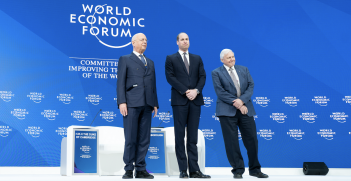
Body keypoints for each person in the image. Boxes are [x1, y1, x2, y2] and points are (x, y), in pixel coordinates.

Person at [211, 49, 268, 179]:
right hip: (227, 111)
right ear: (222, 60)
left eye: (233, 56)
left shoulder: (244, 69)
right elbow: (220, 92)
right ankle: (238, 170)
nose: (232, 59)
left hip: (245, 110)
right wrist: (237, 103)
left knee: (252, 139)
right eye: (229, 57)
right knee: (231, 142)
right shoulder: (216, 72)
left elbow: (250, 86)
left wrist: (242, 101)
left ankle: (255, 169)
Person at [165, 32, 210, 178]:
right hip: (180, 101)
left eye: (187, 39)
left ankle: (195, 170)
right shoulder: (171, 58)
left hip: (195, 100)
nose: (185, 41)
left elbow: (202, 76)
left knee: (192, 137)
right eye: (182, 39)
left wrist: (196, 91)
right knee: (179, 136)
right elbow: (170, 78)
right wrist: (186, 91)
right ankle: (183, 170)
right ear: (177, 42)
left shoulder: (197, 58)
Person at [117, 33, 159, 179]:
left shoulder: (150, 62)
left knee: (144, 138)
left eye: (146, 40)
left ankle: (141, 169)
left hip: (147, 104)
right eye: (142, 40)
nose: (145, 42)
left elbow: (153, 84)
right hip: (132, 103)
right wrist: (122, 102)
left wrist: (155, 103)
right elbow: (120, 82)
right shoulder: (125, 59)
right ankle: (128, 168)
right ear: (133, 42)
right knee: (130, 137)